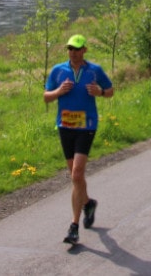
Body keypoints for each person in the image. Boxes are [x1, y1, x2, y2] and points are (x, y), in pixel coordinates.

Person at [43, 34, 114, 245]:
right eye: (70, 49)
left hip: (87, 126)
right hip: (65, 126)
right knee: (75, 177)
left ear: (84, 50)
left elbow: (110, 91)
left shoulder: (94, 70)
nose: (73, 53)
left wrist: (99, 91)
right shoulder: (58, 70)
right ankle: (88, 203)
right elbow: (46, 96)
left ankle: (74, 227)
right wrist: (59, 91)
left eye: (77, 49)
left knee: (77, 173)